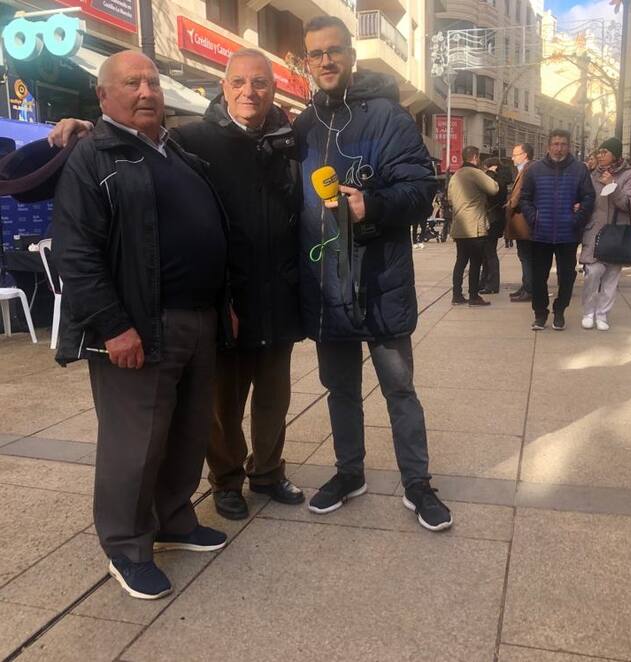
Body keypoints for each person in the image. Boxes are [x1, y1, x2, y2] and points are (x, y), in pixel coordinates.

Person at [48, 49, 307, 521]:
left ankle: (267, 472)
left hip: (273, 295)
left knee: (269, 399)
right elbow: (130, 137)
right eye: (238, 82)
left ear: (274, 89)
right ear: (223, 87)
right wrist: (85, 127)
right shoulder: (195, 138)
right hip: (221, 301)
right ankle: (225, 480)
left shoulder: (291, 141)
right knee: (220, 407)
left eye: (260, 83)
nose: (249, 92)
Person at [51, 51, 229, 600]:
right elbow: (76, 252)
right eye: (132, 83)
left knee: (187, 433)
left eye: (152, 80)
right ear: (103, 96)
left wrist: (223, 301)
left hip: (199, 320)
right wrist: (112, 326)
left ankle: (174, 519)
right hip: (138, 326)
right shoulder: (92, 156)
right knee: (134, 444)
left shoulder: (175, 150)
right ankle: (127, 548)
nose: (147, 90)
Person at [294, 16, 452, 531]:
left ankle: (417, 483)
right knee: (339, 389)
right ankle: (349, 473)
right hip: (327, 285)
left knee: (399, 390)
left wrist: (373, 205)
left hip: (381, 282)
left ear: (351, 54)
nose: (326, 61)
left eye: (334, 50)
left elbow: (421, 189)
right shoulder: (303, 126)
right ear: (306, 61)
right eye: (316, 53)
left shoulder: (389, 116)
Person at [520, 129, 595, 330]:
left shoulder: (579, 170)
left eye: (563, 144)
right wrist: (533, 217)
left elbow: (589, 197)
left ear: (569, 146)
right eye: (555, 144)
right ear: (548, 146)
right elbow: (524, 198)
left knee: (567, 277)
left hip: (568, 234)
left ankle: (560, 310)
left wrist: (577, 219)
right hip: (540, 234)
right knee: (538, 277)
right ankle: (540, 313)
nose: (559, 148)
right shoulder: (535, 170)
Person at [579, 137, 631, 330]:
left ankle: (602, 314)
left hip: (617, 232)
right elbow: (586, 199)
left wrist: (613, 185)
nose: (600, 155)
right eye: (599, 152)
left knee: (611, 277)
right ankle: (588, 311)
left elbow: (629, 203)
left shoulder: (630, 174)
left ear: (615, 154)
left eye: (605, 152)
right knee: (593, 272)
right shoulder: (592, 175)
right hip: (594, 231)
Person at [448, 145, 499, 305]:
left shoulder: (455, 176)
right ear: (475, 157)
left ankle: (457, 295)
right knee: (475, 262)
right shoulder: (475, 173)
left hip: (459, 226)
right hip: (474, 225)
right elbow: (494, 188)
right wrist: (491, 173)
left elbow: (450, 199)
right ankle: (473, 296)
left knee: (460, 261)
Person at [478, 157, 514, 294]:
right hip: (496, 218)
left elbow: (491, 192)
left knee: (489, 252)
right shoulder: (501, 180)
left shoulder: (496, 180)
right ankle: (485, 281)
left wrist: (490, 174)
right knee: (487, 253)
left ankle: (491, 284)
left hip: (492, 218)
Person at [506, 143, 534, 302]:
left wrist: (509, 205)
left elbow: (519, 193)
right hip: (522, 221)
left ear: (525, 155)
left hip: (524, 221)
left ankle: (529, 289)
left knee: (527, 256)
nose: (512, 158)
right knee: (524, 255)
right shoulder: (524, 169)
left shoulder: (528, 170)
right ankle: (526, 286)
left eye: (515, 154)